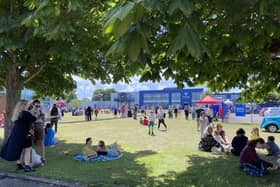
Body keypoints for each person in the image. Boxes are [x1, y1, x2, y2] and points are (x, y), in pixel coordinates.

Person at [0, 100, 37, 172]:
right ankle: (27, 166)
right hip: (25, 134)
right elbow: (34, 119)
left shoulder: (17, 113)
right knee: (27, 150)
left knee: (20, 149)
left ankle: (19, 164)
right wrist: (33, 109)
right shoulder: (25, 113)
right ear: (24, 106)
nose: (29, 105)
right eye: (28, 105)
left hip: (16, 133)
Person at [32, 99, 46, 163]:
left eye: (38, 105)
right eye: (36, 105)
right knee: (38, 143)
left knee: (40, 143)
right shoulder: (32, 110)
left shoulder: (40, 110)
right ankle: (39, 158)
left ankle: (42, 158)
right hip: (35, 126)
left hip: (38, 126)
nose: (37, 106)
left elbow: (43, 118)